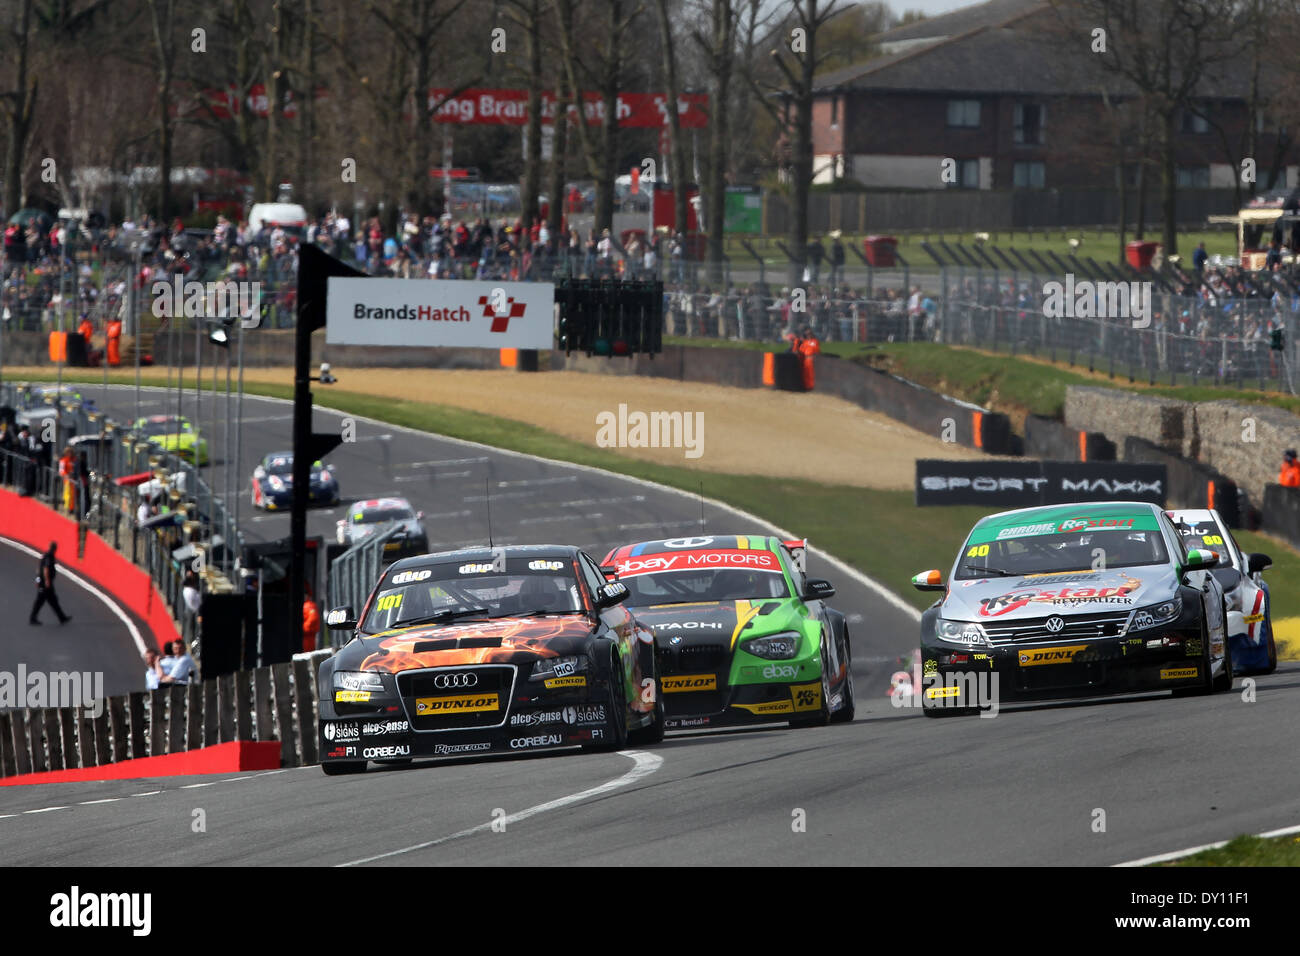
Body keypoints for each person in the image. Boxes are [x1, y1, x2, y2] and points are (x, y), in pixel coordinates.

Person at [29, 541, 71, 626]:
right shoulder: (49, 557)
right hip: (45, 584)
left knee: (53, 601)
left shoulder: (44, 555)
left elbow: (38, 569)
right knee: (40, 601)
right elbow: (45, 569)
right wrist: (47, 581)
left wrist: (37, 579)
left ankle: (62, 617)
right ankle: (32, 618)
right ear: (55, 549)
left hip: (43, 582)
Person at [303, 589, 321, 653]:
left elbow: (313, 620)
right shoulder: (305, 605)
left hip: (308, 637)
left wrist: (302, 629)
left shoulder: (310, 605)